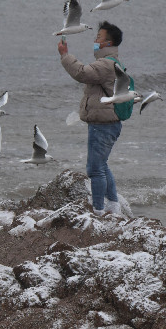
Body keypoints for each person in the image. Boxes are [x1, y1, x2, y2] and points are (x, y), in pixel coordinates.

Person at [57, 21, 125, 215]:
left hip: (103, 124)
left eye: (99, 38)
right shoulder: (114, 62)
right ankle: (113, 205)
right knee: (102, 165)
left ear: (108, 43)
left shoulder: (106, 64)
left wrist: (65, 55)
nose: (95, 40)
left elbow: (81, 73)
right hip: (108, 122)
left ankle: (98, 211)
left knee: (94, 169)